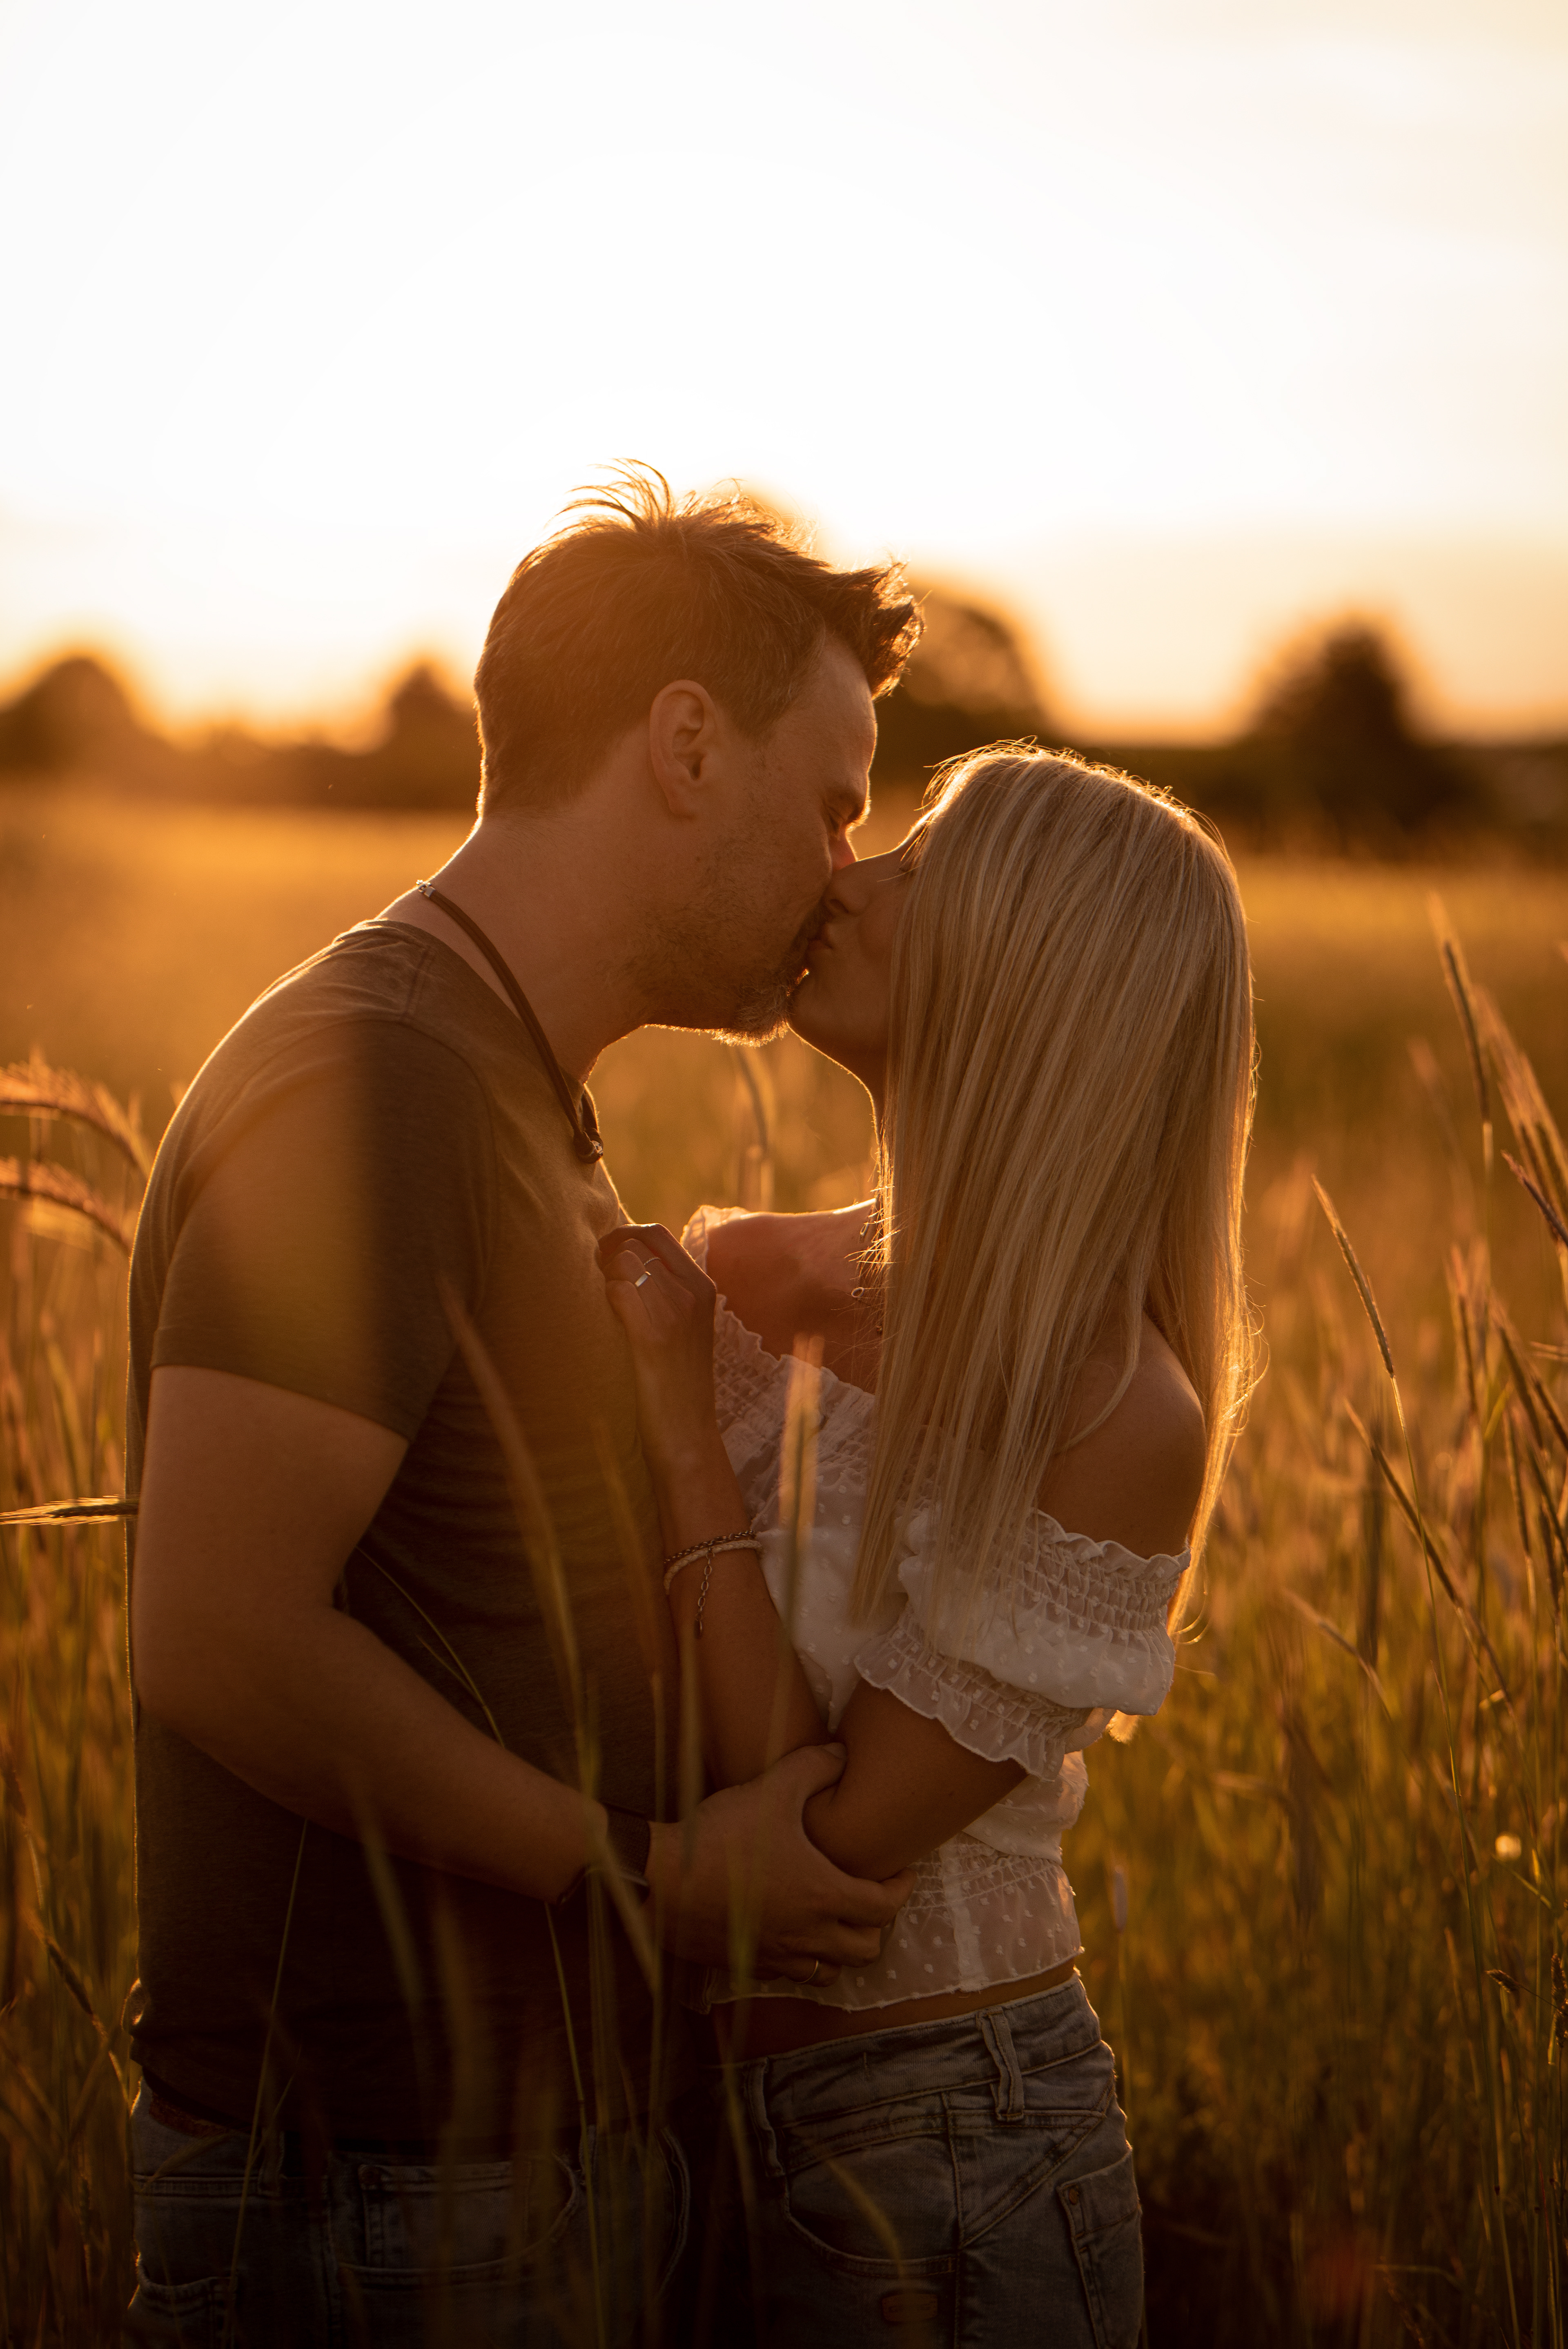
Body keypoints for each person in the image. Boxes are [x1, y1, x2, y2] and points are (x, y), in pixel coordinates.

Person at [122, 470, 924, 2347]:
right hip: (394, 2193)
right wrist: (659, 1880)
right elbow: (219, 1636)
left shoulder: (500, 1086)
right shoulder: (383, 1076)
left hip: (483, 2176)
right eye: (834, 799)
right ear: (684, 745)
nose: (843, 866)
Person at [600, 746, 1256, 2347]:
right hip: (660, 2120)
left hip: (950, 2145)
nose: (850, 874)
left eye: (923, 864)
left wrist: (683, 1437)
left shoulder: (1114, 1410)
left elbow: (820, 1854)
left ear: (1038, 970)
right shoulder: (732, 1268)